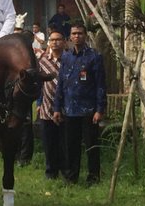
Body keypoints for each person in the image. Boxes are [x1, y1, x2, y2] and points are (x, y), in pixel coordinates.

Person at [53, 23, 106, 185]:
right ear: (70, 37)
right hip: (69, 110)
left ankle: (93, 178)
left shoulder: (94, 57)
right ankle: (71, 177)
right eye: (74, 34)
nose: (77, 36)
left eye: (80, 33)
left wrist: (100, 109)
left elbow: (101, 85)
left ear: (85, 35)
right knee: (71, 146)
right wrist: (57, 108)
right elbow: (61, 83)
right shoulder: (66, 57)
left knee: (91, 146)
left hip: (88, 110)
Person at [37, 30, 66, 179]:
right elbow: (38, 84)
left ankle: (64, 171)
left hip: (64, 108)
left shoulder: (68, 60)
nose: (55, 42)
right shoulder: (42, 61)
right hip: (46, 108)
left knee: (63, 142)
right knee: (49, 143)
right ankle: (50, 172)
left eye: (58, 39)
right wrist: (38, 102)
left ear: (64, 42)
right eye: (52, 40)